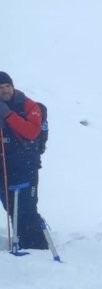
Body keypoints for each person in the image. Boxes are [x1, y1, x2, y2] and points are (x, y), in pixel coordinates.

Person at [0, 71, 48, 250]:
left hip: (26, 162)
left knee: (26, 205)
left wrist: (8, 115)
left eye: (7, 87)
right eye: (1, 88)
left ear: (13, 86)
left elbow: (32, 132)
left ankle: (38, 244)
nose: (5, 91)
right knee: (11, 206)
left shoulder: (29, 105)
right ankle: (21, 240)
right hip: (4, 164)